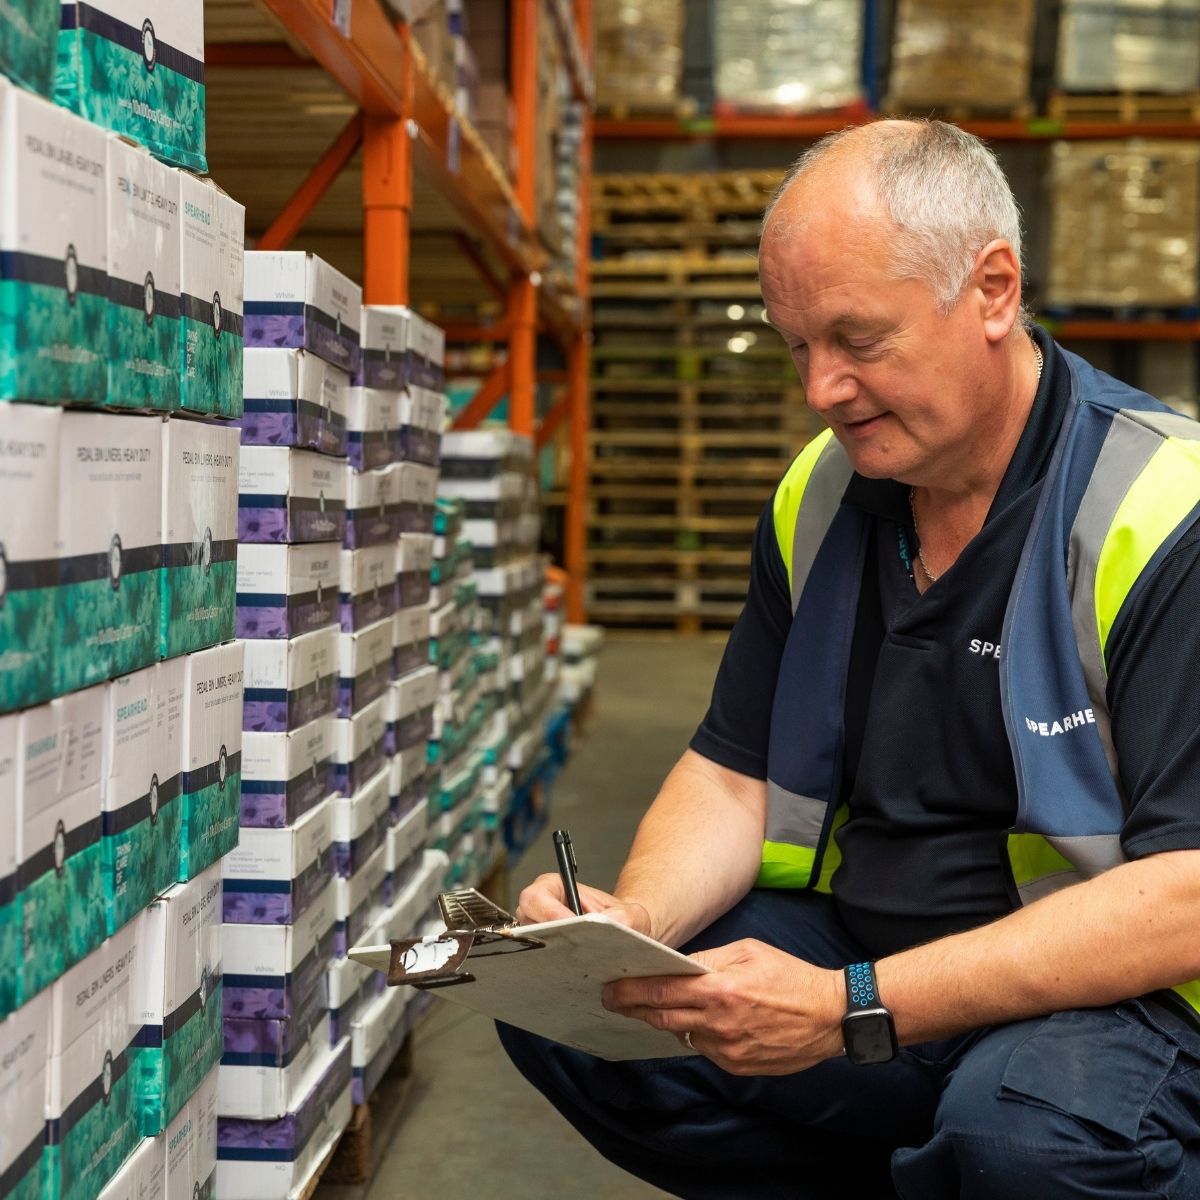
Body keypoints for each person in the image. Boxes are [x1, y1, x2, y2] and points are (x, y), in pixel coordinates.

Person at [499, 118, 1200, 1199]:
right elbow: (733, 769)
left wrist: (851, 1007)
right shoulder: (822, 494)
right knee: (584, 1017)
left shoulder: (1162, 512)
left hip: (1106, 995)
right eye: (796, 345)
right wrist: (633, 928)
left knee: (1029, 1141)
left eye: (858, 340)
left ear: (994, 291)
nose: (820, 388)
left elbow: (1185, 893)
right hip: (872, 947)